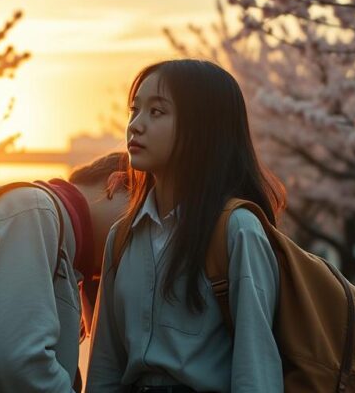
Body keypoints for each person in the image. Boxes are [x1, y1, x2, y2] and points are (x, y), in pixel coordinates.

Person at [86, 59, 286, 393]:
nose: (135, 126)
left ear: (203, 127)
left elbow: (256, 370)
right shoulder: (121, 238)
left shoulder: (238, 230)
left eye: (157, 112)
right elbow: (105, 370)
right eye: (134, 110)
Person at [0, 151, 129, 393]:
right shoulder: (35, 212)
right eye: (141, 212)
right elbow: (16, 360)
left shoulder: (57, 234)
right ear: (116, 184)